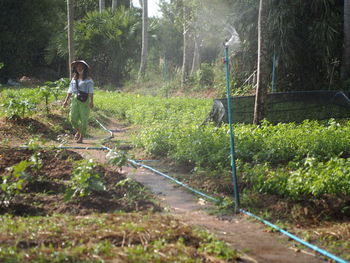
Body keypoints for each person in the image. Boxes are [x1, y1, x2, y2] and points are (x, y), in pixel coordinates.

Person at [63, 60, 94, 143]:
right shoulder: (74, 78)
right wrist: (66, 101)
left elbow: (91, 91)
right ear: (75, 68)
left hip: (84, 101)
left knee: (84, 119)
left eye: (81, 66)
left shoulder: (88, 80)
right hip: (75, 100)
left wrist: (91, 102)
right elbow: (70, 90)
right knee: (72, 118)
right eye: (77, 67)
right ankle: (79, 131)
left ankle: (81, 137)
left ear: (84, 68)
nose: (79, 68)